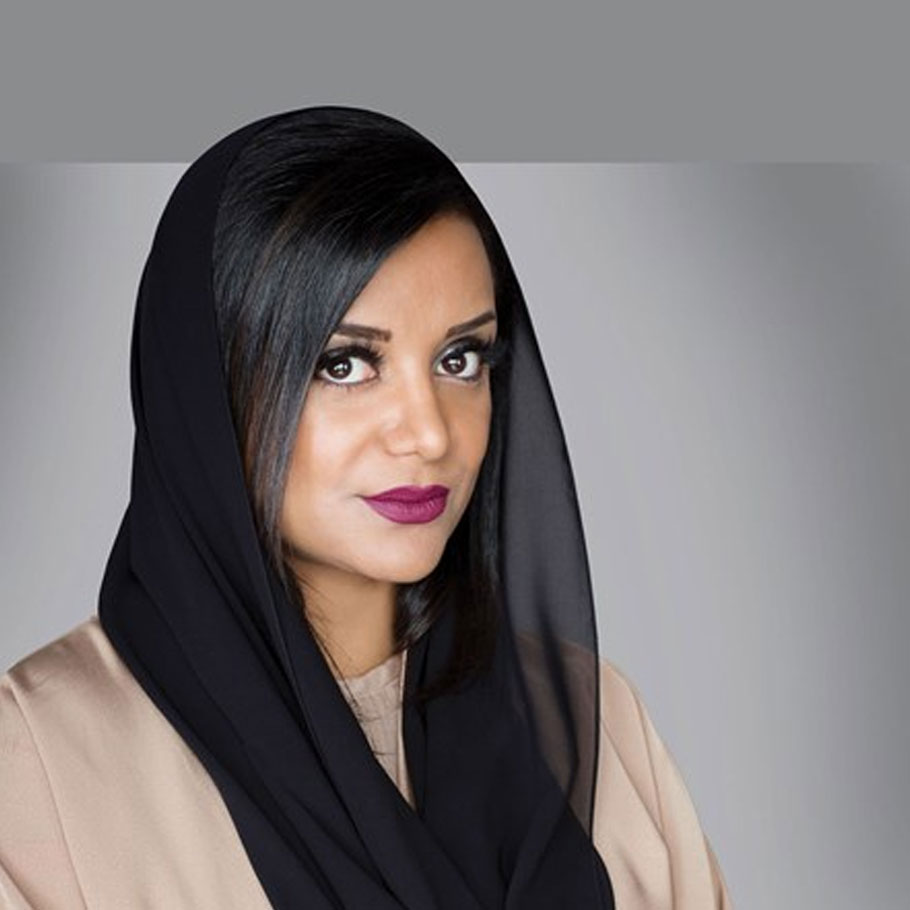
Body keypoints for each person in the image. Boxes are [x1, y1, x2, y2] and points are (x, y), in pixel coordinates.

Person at [0, 106, 731, 908]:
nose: (429, 433)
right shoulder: (34, 766)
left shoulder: (589, 721)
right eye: (345, 365)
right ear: (206, 389)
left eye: (461, 358)